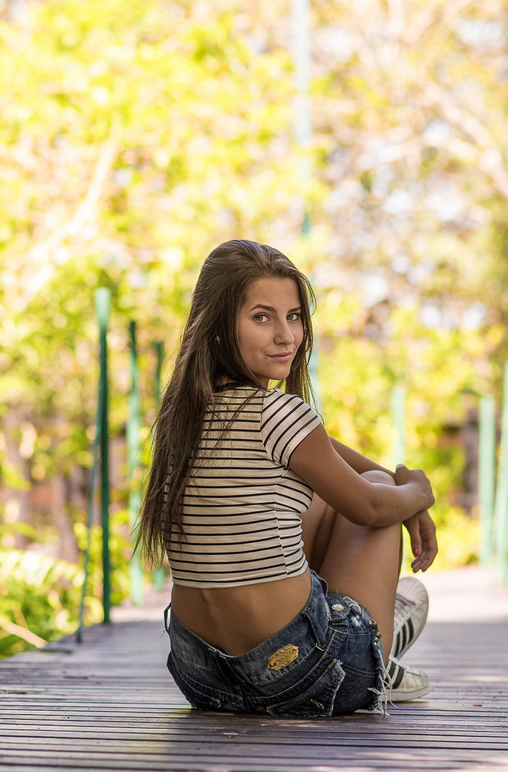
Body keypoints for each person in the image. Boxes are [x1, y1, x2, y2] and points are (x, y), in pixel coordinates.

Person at [136, 239, 438, 717]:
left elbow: (328, 459)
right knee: (380, 496)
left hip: (203, 679)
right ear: (216, 329)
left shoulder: (182, 419)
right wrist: (418, 490)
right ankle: (377, 655)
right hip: (305, 676)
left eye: (294, 316)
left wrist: (398, 488)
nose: (286, 336)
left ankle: (367, 630)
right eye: (262, 317)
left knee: (339, 491)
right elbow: (372, 507)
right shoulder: (276, 412)